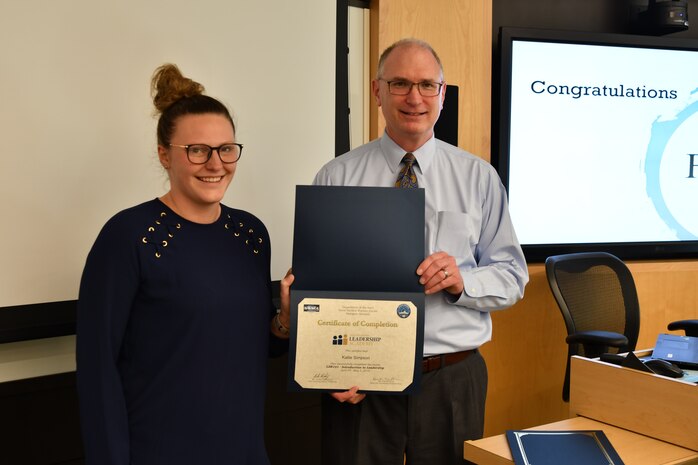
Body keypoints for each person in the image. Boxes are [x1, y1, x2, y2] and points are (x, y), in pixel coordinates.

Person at [312, 38, 529, 465]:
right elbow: (318, 289)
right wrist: (329, 366)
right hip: (362, 377)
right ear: (377, 91)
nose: (415, 98)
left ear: (443, 94)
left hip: (450, 377)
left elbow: (512, 276)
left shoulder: (478, 178)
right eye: (399, 84)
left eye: (428, 85)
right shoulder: (336, 177)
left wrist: (462, 281)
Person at [76, 63, 292, 465]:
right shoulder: (128, 236)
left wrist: (283, 324)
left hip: (244, 451)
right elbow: (97, 368)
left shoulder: (251, 234)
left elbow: (246, 348)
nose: (216, 164)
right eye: (197, 150)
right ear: (164, 155)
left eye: (226, 149)